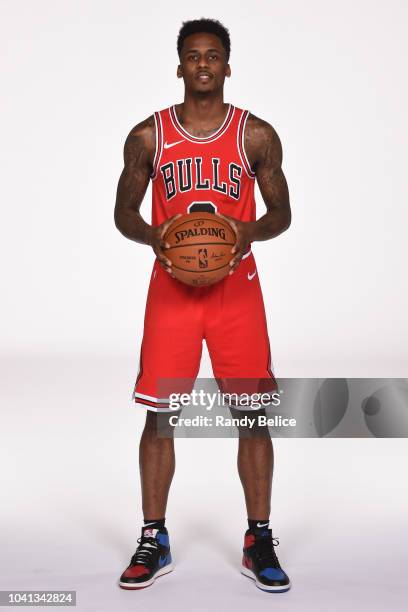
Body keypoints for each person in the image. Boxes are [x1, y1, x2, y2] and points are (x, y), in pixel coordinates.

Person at [114, 18, 292, 593]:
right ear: (180, 65)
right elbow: (123, 212)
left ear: (228, 65)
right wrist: (157, 236)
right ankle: (153, 537)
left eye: (213, 55)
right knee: (160, 414)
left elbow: (282, 213)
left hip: (236, 290)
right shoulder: (149, 136)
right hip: (172, 292)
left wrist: (247, 231)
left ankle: (258, 537)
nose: (203, 64)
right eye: (193, 56)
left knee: (252, 413)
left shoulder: (255, 135)